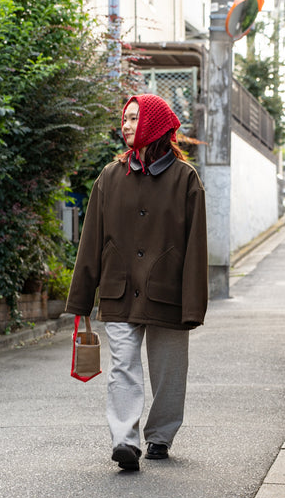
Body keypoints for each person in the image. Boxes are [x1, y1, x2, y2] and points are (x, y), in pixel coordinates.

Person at [65, 93, 208, 471]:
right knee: (122, 367)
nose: (125, 125)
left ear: (153, 125)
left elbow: (196, 247)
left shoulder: (185, 179)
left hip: (168, 293)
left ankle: (160, 435)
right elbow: (91, 239)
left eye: (133, 118)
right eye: (125, 118)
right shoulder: (110, 177)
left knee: (169, 372)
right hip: (120, 290)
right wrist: (81, 300)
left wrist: (193, 305)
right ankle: (125, 440)